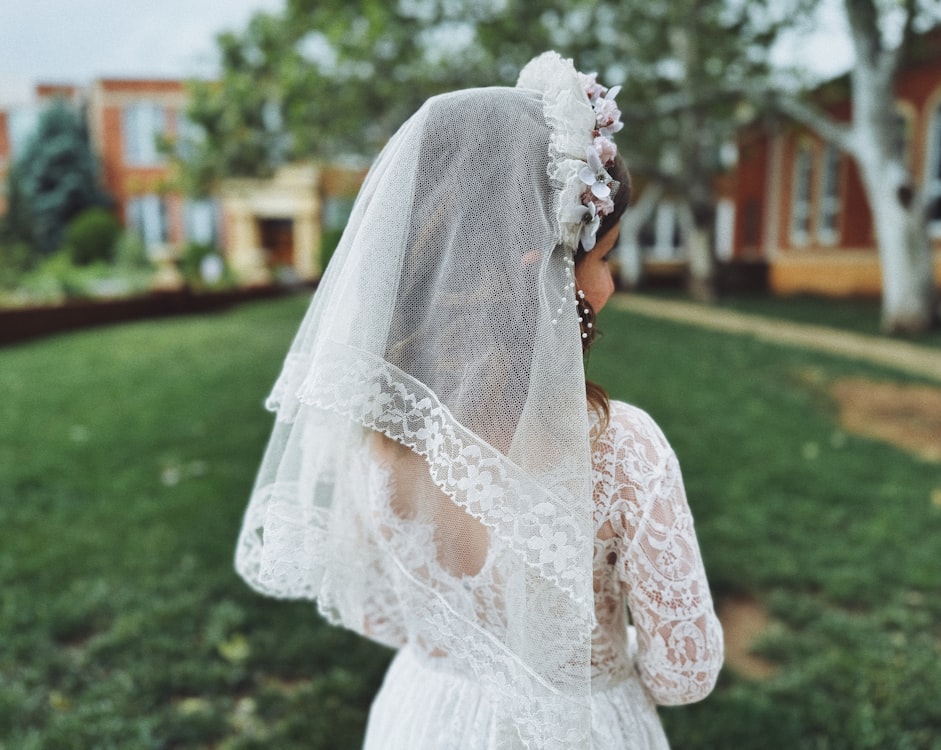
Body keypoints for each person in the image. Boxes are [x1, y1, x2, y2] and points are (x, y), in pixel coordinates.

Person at [235, 51, 724, 750]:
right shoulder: (620, 449)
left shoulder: (375, 419)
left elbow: (377, 611)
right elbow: (685, 672)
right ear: (539, 268)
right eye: (603, 258)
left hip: (423, 719)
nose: (609, 287)